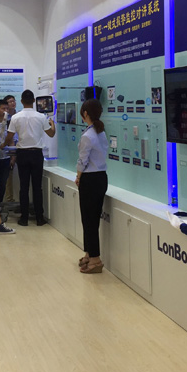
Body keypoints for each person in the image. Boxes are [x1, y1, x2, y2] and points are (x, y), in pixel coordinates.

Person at [2, 90, 55, 226]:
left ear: (21, 101)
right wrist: (53, 125)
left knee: (24, 187)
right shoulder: (41, 117)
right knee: (37, 187)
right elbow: (51, 134)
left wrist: (3, 145)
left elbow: (9, 136)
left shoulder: (15, 117)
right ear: (33, 101)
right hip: (37, 154)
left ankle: (24, 218)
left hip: (22, 154)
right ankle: (39, 218)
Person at [75, 99, 108, 274]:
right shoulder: (100, 132)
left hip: (90, 180)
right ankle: (89, 253)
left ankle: (95, 259)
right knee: (90, 219)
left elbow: (83, 160)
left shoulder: (88, 135)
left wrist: (78, 176)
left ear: (85, 113)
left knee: (89, 221)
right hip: (100, 178)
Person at [2, 94, 18, 205]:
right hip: (8, 146)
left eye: (13, 101)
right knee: (8, 174)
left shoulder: (20, 115)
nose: (12, 103)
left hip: (20, 145)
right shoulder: (3, 118)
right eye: (9, 101)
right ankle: (8, 199)